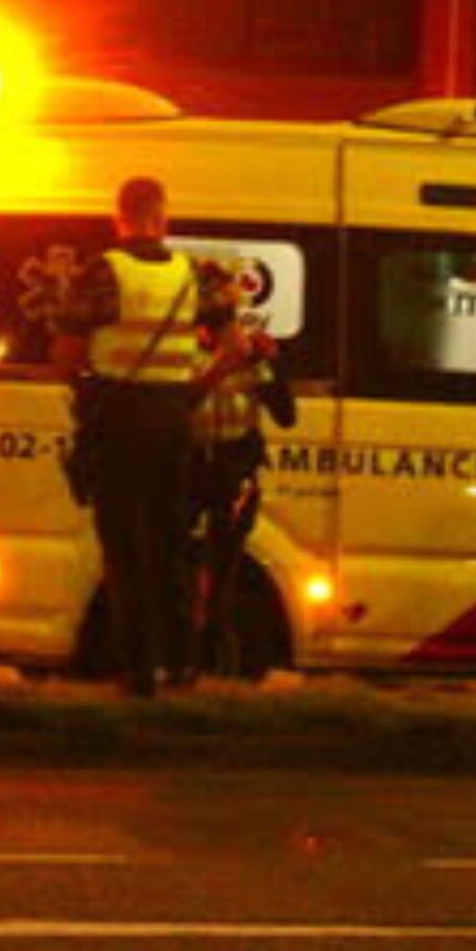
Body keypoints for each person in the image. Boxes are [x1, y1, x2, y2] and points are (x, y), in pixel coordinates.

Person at [56, 175, 204, 697]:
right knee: (171, 547)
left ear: (119, 217)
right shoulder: (192, 275)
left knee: (124, 549)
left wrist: (86, 391)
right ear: (162, 218)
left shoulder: (104, 271)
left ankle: (138, 669)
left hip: (119, 417)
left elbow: (69, 351)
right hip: (172, 420)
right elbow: (230, 345)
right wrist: (189, 391)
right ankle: (183, 663)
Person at [184, 271, 296, 678]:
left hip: (233, 473)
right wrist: (219, 368)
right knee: (181, 576)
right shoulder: (179, 352)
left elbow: (285, 416)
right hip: (190, 473)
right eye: (216, 314)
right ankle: (183, 661)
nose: (224, 325)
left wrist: (272, 365)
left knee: (224, 577)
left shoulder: (249, 354)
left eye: (228, 314)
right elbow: (177, 403)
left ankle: (216, 661)